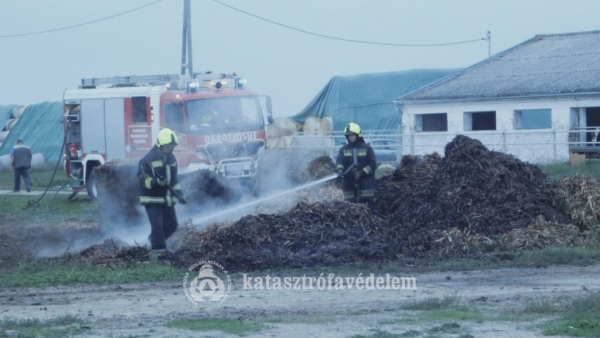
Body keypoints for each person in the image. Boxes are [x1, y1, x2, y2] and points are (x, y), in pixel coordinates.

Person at [137, 128, 184, 257]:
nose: (171, 149)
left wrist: (179, 194)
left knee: (172, 225)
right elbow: (142, 180)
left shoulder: (171, 159)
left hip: (167, 199)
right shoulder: (147, 160)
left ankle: (152, 240)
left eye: (172, 147)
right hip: (152, 200)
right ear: (161, 145)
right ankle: (159, 252)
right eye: (169, 147)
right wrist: (156, 182)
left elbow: (174, 179)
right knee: (157, 225)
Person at [335, 123, 377, 208]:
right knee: (348, 208)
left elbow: (373, 164)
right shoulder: (343, 149)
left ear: (358, 135)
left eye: (352, 135)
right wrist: (340, 170)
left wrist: (361, 173)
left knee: (368, 208)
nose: (350, 137)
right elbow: (339, 161)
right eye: (348, 135)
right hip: (349, 184)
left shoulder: (367, 148)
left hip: (366, 185)